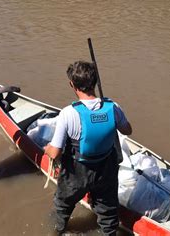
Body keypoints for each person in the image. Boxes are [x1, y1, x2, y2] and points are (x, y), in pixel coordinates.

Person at [44, 61, 132, 235]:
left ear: (72, 84)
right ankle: (109, 231)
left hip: (77, 171)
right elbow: (127, 130)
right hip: (106, 168)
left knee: (63, 204)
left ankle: (58, 230)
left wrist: (47, 148)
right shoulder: (112, 107)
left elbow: (55, 152)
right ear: (96, 82)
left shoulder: (68, 113)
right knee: (107, 209)